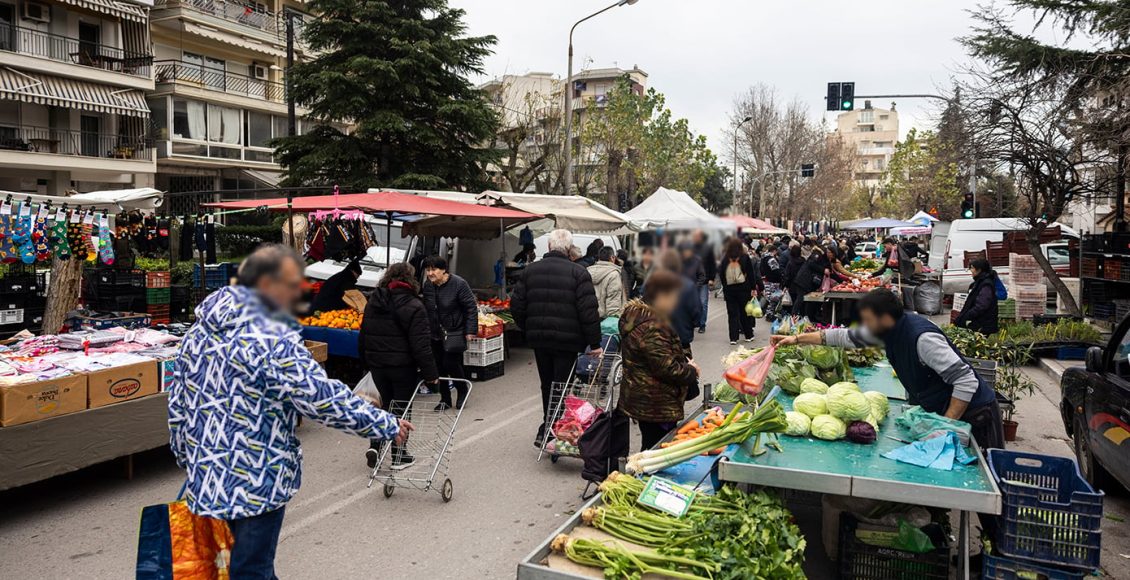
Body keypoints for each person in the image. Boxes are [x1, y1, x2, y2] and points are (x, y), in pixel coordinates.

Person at [169, 245, 411, 579]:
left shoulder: (197, 335)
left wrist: (191, 459)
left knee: (229, 568)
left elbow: (178, 406)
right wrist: (382, 423)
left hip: (207, 477)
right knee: (251, 570)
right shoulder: (271, 338)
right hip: (256, 478)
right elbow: (320, 397)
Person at [771, 288, 1004, 449]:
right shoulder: (887, 331)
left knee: (993, 495)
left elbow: (966, 381)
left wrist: (947, 424)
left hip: (976, 415)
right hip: (944, 409)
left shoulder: (922, 339)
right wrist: (796, 339)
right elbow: (845, 336)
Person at [511, 229, 602, 447]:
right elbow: (588, 311)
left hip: (540, 339)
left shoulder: (530, 272)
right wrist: (595, 343)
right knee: (561, 385)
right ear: (569, 249)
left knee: (547, 384)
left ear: (550, 247)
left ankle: (549, 426)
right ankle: (551, 427)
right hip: (568, 342)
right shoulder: (579, 273)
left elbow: (517, 306)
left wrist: (527, 328)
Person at [359, 262, 438, 469]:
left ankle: (375, 445)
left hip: (377, 365)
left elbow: (363, 334)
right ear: (410, 279)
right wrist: (431, 374)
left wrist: (366, 361)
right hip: (403, 367)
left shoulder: (373, 301)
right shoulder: (414, 305)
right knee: (401, 409)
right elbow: (421, 345)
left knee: (382, 406)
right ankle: (399, 455)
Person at [618, 269, 701, 451]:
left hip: (641, 394)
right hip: (655, 401)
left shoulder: (635, 316)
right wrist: (691, 370)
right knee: (655, 448)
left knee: (651, 444)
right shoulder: (653, 326)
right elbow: (666, 368)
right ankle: (645, 478)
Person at [422, 256, 478, 411]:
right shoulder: (428, 286)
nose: (430, 273)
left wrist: (470, 330)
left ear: (444, 270)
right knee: (438, 366)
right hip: (434, 332)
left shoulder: (459, 284)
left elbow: (470, 308)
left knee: (451, 363)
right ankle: (445, 399)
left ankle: (462, 391)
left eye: (434, 269)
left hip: (455, 331)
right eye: (428, 270)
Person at [657, 249, 702, 350]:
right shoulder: (688, 285)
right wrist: (694, 324)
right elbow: (696, 310)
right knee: (684, 363)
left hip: (658, 336)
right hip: (682, 334)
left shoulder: (653, 284)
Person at [719, 237, 759, 345]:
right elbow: (751, 274)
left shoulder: (725, 259)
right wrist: (753, 288)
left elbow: (721, 274)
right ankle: (748, 335)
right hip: (743, 289)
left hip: (730, 291)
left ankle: (733, 338)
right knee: (744, 313)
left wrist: (725, 287)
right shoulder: (745, 257)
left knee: (732, 314)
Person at [954, 258, 1000, 335]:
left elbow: (981, 306)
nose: (970, 270)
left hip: (983, 324)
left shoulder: (986, 284)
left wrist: (967, 316)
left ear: (979, 269)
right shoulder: (979, 282)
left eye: (972, 268)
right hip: (979, 323)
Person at [588, 246, 625, 318]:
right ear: (612, 258)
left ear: (599, 258)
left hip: (588, 316)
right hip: (605, 319)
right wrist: (614, 318)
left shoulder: (587, 271)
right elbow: (613, 300)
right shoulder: (614, 274)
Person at [692, 231, 717, 334]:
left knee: (703, 303)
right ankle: (694, 322)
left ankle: (702, 324)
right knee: (693, 303)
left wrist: (712, 278)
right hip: (692, 280)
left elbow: (712, 264)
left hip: (704, 280)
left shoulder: (708, 248)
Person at [782, 244, 805, 314]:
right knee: (801, 304)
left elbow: (787, 276)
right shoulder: (803, 261)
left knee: (792, 303)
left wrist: (785, 285)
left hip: (792, 285)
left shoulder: (790, 262)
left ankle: (792, 318)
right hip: (802, 285)